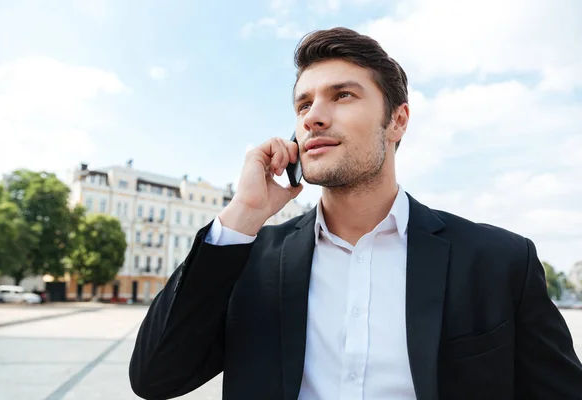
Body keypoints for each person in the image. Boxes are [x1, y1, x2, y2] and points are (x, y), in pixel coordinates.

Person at [129, 27, 582, 400]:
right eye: (304, 104)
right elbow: (155, 378)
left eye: (342, 95)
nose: (313, 117)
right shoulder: (249, 258)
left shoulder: (498, 260)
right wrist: (244, 214)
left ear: (398, 120)